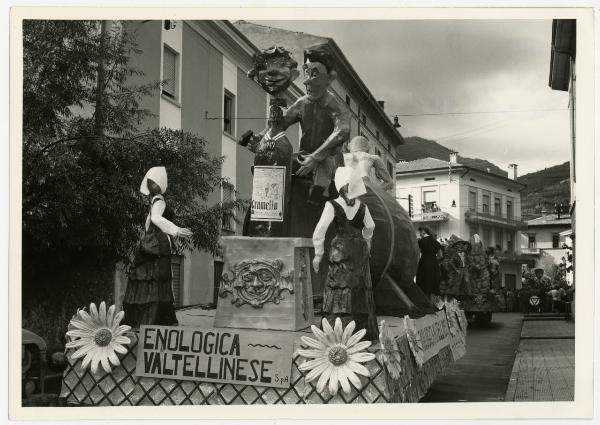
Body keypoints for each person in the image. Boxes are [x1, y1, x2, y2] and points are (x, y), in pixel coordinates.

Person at [312, 166, 378, 340]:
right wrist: (366, 242)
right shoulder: (363, 206)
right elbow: (370, 226)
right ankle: (359, 334)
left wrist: (318, 256)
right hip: (358, 249)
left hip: (340, 250)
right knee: (358, 290)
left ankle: (337, 334)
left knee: (338, 290)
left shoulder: (332, 204)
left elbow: (320, 231)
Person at [123, 167, 193, 329]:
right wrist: (175, 230)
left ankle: (147, 319)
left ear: (160, 183)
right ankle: (153, 319)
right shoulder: (158, 200)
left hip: (154, 242)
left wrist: (172, 231)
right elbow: (153, 219)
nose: (151, 185)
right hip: (157, 243)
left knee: (151, 276)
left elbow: (151, 220)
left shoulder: (156, 200)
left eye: (153, 182)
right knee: (155, 277)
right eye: (149, 182)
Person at [416, 226, 443, 297]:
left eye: (420, 232)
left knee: (423, 283)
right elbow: (440, 255)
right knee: (433, 283)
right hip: (434, 264)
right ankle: (432, 304)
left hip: (423, 263)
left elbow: (417, 254)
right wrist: (433, 259)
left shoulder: (420, 241)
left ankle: (425, 302)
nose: (420, 234)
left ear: (424, 232)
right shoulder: (436, 242)